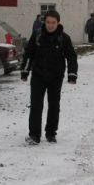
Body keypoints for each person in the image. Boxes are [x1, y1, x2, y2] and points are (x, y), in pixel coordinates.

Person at [21, 10, 78, 145]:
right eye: (48, 22)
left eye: (53, 22)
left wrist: (72, 74)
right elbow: (29, 54)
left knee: (53, 105)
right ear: (44, 22)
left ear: (58, 23)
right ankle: (34, 135)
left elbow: (71, 56)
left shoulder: (64, 38)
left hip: (55, 77)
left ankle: (51, 133)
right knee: (36, 105)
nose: (50, 25)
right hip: (38, 75)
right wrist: (25, 71)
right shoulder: (37, 36)